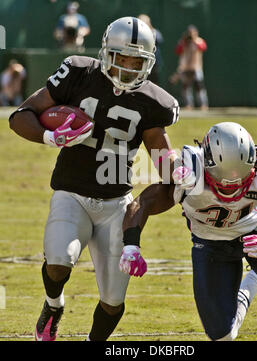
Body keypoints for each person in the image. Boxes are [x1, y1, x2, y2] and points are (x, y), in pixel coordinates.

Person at [8, 16, 185, 341]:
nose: (129, 68)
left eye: (137, 62)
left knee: (113, 301)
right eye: (122, 59)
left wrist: (181, 170)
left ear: (148, 62)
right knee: (60, 260)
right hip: (71, 192)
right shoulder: (78, 73)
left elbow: (162, 159)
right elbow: (21, 116)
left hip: (117, 202)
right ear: (107, 52)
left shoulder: (153, 101)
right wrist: (50, 138)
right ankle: (53, 305)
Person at [120, 121, 257, 340]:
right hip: (210, 244)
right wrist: (131, 245)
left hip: (254, 233)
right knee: (222, 336)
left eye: (242, 180)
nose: (233, 189)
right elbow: (142, 203)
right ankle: (249, 288)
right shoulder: (188, 176)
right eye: (223, 182)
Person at [170, 25, 208, 110]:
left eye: (193, 33)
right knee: (186, 88)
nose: (191, 35)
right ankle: (189, 104)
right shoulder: (183, 42)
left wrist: (194, 40)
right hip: (186, 68)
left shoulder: (199, 41)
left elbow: (203, 47)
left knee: (199, 87)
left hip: (196, 67)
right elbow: (178, 50)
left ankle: (203, 104)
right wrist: (184, 42)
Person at [138, 14, 164, 85]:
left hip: (153, 64)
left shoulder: (154, 32)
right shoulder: (138, 34)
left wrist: (149, 30)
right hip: (140, 63)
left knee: (153, 84)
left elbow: (159, 39)